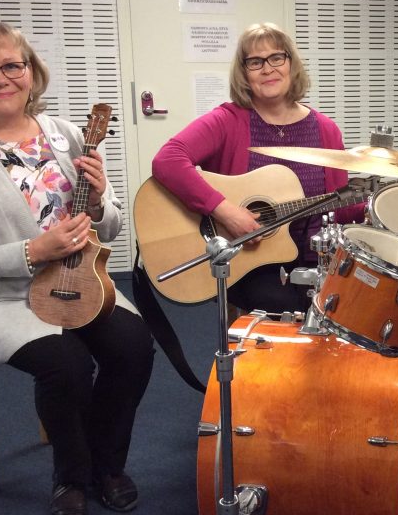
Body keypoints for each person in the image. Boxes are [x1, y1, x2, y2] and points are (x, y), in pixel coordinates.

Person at [0, 20, 155, 515]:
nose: (0, 78)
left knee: (134, 347)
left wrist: (101, 199)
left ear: (31, 72)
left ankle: (107, 463)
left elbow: (109, 226)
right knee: (67, 365)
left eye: (11, 65)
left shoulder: (68, 135)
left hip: (80, 281)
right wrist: (31, 252)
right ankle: (72, 476)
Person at [151, 22, 364, 314]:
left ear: (291, 63)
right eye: (255, 62)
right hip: (249, 260)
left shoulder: (326, 130)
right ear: (244, 72)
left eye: (277, 58)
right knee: (282, 305)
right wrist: (226, 211)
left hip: (315, 260)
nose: (267, 69)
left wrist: (376, 206)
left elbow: (337, 208)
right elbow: (168, 160)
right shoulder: (228, 121)